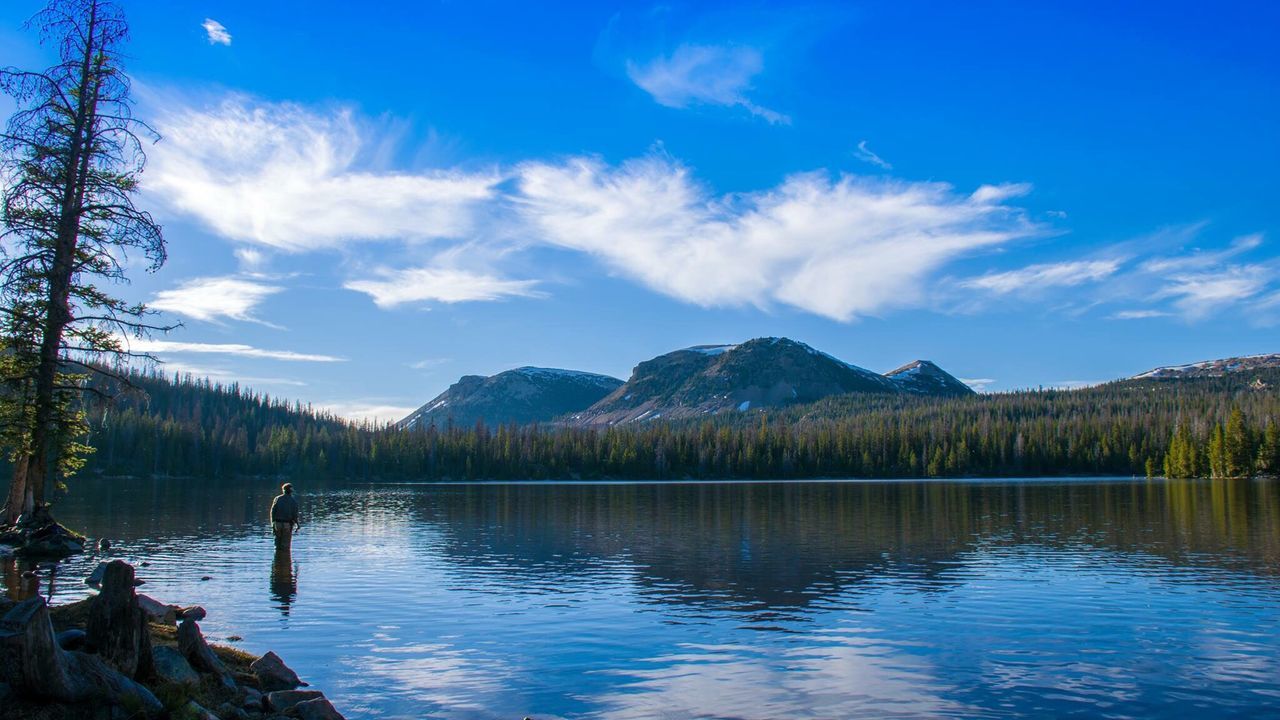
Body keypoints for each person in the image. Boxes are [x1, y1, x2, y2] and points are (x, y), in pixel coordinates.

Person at [269, 483, 300, 548]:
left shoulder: (277, 498)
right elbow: (295, 515)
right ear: (291, 491)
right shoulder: (293, 501)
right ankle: (284, 557)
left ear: (283, 490)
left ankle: (278, 556)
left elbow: (272, 512)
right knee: (285, 545)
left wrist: (273, 524)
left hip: (277, 524)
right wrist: (297, 524)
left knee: (277, 544)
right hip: (287, 525)